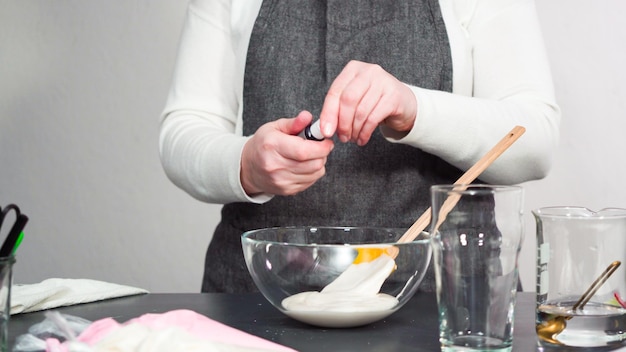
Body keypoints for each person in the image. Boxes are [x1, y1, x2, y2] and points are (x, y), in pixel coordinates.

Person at [159, 0, 560, 293]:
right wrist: (246, 165)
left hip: (443, 300)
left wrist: (415, 109)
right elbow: (184, 130)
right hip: (257, 298)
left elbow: (535, 141)